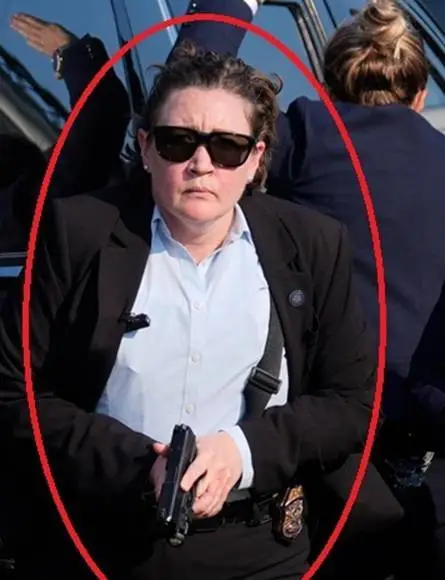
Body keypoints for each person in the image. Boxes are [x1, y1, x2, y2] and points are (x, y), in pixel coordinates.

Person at [0, 43, 376, 579]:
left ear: (255, 159)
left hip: (258, 547)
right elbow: (14, 391)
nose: (201, 164)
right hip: (101, 539)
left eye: (227, 147)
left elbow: (350, 401)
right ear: (146, 148)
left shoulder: (310, 245)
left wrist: (242, 452)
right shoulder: (78, 233)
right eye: (178, 142)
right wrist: (138, 466)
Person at [174, 0, 445, 577]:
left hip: (322, 435)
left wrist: (226, 9)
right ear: (421, 96)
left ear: (325, 85)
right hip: (419, 435)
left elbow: (193, 117)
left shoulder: (304, 134)